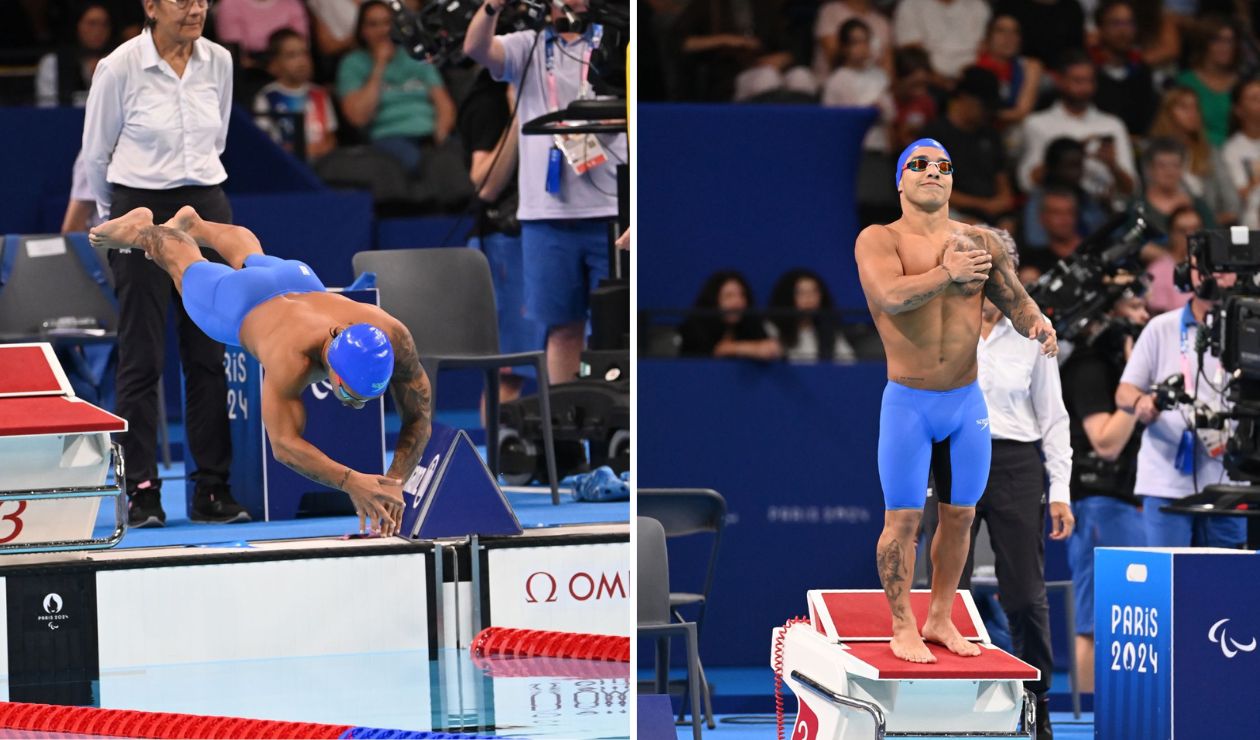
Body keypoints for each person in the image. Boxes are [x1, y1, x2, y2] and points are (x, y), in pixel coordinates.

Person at [89, 206, 431, 537]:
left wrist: (394, 482)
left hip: (296, 279)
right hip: (238, 303)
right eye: (350, 396)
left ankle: (196, 223)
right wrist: (351, 481)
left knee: (253, 256)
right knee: (182, 263)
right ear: (334, 373)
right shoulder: (290, 359)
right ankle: (139, 228)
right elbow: (284, 446)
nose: (357, 406)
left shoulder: (392, 333)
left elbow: (419, 415)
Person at [855, 138, 1057, 664]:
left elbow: (1013, 296)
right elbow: (889, 297)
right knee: (902, 521)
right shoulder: (879, 240)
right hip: (909, 402)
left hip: (967, 402)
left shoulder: (979, 240)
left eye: (943, 165)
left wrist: (1036, 321)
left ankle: (940, 616)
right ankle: (903, 625)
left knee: (961, 516)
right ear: (900, 180)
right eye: (918, 165)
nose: (932, 172)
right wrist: (949, 274)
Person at [82, 0, 240, 528]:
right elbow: (95, 155)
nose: (196, 8)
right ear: (151, 5)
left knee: (207, 353)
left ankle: (212, 488)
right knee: (142, 355)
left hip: (204, 208)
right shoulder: (120, 66)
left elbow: (216, 141)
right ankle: (142, 490)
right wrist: (117, 226)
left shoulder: (219, 61)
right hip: (137, 209)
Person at [920, 227, 1073, 740]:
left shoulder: (1034, 332)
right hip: (952, 456)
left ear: (1009, 271)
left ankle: (1036, 704)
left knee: (1026, 596)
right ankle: (941, 706)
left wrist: (1061, 490)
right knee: (945, 591)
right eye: (970, 258)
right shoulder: (936, 322)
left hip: (1013, 464)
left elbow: (1054, 418)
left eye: (992, 261)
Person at [464, 0, 628, 385]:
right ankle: (565, 425)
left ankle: (617, 430)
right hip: (546, 215)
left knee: (615, 326)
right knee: (561, 328)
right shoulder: (528, 44)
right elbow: (476, 48)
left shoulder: (618, 39)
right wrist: (491, 7)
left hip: (608, 212)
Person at [1116, 257, 1246, 548]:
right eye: (1206, 268)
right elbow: (1124, 392)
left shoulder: (1249, 331)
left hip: (1228, 481)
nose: (1214, 276)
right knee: (1169, 585)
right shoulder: (1161, 328)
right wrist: (1142, 402)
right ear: (1189, 275)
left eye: (1223, 268)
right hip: (1166, 480)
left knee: (1225, 585)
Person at [1060, 294, 1148, 694]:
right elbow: (1106, 442)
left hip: (1129, 501)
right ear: (1107, 314)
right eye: (1132, 307)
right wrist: (1135, 396)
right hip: (1099, 502)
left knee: (1132, 620)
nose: (1143, 316)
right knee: (1096, 622)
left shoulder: (1117, 368)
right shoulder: (1090, 368)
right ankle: (1086, 723)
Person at [457, 68, 546, 422]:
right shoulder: (490, 102)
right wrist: (517, 116)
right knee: (508, 374)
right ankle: (500, 466)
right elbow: (485, 184)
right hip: (506, 243)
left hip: (550, 237)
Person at [338, 0, 456, 176]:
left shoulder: (415, 55)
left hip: (430, 135)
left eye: (387, 22)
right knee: (415, 162)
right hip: (388, 137)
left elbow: (444, 104)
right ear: (362, 30)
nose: (383, 30)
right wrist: (379, 64)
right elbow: (358, 117)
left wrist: (440, 136)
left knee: (454, 159)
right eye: (373, 24)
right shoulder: (352, 64)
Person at [1016, 50, 1136, 202]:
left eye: (1089, 81)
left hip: (1103, 208)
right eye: (1077, 81)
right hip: (1054, 209)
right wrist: (1070, 151)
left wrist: (1112, 165)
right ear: (1059, 80)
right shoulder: (1037, 124)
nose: (1085, 88)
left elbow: (1132, 189)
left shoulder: (1112, 125)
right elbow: (1027, 183)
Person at [920, 66, 1015, 230]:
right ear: (965, 98)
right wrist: (983, 205)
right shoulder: (935, 136)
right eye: (984, 106)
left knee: (1007, 229)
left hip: (990, 212)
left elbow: (1002, 179)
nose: (988, 112)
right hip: (949, 211)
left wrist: (1003, 200)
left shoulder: (990, 135)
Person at [1148, 86, 1239, 224]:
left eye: (1195, 108)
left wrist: (1207, 223)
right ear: (1168, 113)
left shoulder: (1210, 152)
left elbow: (1231, 200)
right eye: (1184, 107)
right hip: (1164, 226)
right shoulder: (1152, 151)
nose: (1192, 113)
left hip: (1210, 226)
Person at [254, 29, 339, 163]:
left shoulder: (319, 94)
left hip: (323, 166)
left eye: (304, 53)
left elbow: (330, 137)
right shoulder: (267, 97)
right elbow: (264, 142)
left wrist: (320, 150)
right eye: (291, 55)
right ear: (274, 63)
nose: (301, 61)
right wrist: (302, 151)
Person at [1089, 0, 1159, 137]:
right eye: (1115, 23)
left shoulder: (1142, 71)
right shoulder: (1088, 69)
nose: (1124, 31)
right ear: (1099, 28)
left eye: (1129, 23)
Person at [678, 271, 781, 359]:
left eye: (741, 295)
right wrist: (744, 349)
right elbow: (708, 354)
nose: (737, 302)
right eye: (729, 296)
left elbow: (770, 348)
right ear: (713, 301)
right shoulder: (695, 328)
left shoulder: (751, 325)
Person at [1175, 16, 1241, 149]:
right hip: (1198, 152)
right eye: (1217, 40)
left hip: (1237, 153)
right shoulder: (1184, 82)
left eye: (1230, 41)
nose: (1225, 47)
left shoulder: (1243, 85)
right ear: (1203, 43)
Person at [766, 269, 856, 362]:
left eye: (814, 292)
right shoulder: (771, 329)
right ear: (787, 296)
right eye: (801, 293)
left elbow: (848, 362)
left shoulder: (829, 331)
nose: (809, 298)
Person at [892, 0, 990, 85]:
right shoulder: (911, 5)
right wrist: (939, 80)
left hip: (971, 79)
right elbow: (910, 51)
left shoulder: (978, 6)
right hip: (928, 81)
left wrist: (965, 79)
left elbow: (983, 49)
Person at [35, 2, 112, 107]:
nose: (98, 30)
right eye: (92, 23)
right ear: (77, 26)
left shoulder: (117, 62)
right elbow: (48, 108)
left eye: (104, 24)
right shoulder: (53, 63)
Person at [973, 14, 1043, 129]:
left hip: (1013, 130)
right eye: (1001, 31)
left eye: (1015, 32)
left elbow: (1021, 113)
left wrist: (989, 114)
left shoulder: (1028, 66)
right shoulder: (974, 64)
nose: (1008, 37)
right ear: (988, 36)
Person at [812, 0, 893, 81]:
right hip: (833, 84)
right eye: (855, 42)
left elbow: (888, 72)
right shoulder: (830, 11)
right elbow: (836, 60)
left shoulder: (882, 22)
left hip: (873, 87)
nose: (862, 47)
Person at [212, 0, 309, 68]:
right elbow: (235, 54)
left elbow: (300, 44)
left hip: (289, 64)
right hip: (249, 73)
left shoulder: (292, 3)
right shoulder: (230, 4)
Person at [1145, 205, 1201, 313]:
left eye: (1196, 229)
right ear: (1171, 234)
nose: (1191, 236)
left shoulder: (1213, 269)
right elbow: (1159, 315)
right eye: (1182, 231)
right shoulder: (1157, 271)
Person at [1221, 76, 1260, 229]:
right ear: (1239, 110)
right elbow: (1239, 194)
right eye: (1254, 98)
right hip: (1250, 225)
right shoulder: (1231, 149)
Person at [1022, 187, 1083, 277]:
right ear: (1042, 218)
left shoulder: (1095, 250)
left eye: (1069, 212)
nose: (1064, 219)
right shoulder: (1034, 262)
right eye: (1056, 213)